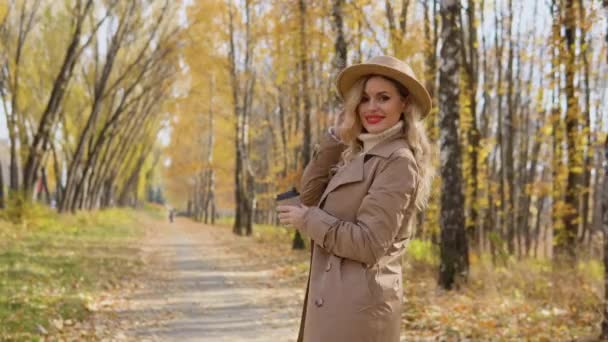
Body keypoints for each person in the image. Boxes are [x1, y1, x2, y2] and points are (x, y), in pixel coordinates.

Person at [277, 55, 434, 342]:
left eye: (383, 98)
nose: (371, 107)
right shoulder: (357, 153)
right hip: (332, 304)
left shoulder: (398, 161)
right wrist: (338, 136)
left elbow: (369, 243)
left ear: (405, 103)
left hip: (358, 313)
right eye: (363, 99)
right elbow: (310, 195)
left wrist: (308, 219)